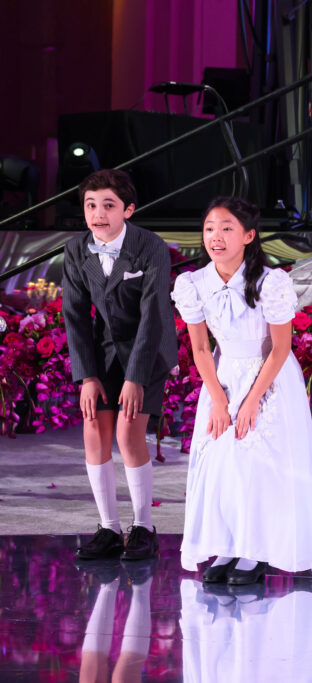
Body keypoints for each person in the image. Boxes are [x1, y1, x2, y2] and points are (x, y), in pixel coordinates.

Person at [172, 197, 312, 585]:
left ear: (248, 235)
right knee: (221, 463)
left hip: (268, 378)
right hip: (223, 379)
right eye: (209, 228)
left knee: (259, 464)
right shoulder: (194, 283)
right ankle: (227, 545)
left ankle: (256, 551)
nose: (216, 237)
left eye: (226, 228)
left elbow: (281, 347)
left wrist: (252, 400)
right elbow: (201, 348)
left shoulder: (269, 281)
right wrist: (220, 399)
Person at [62, 169, 176, 562]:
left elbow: (153, 316)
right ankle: (109, 528)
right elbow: (74, 316)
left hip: (149, 349)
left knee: (128, 435)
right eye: (91, 205)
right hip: (104, 347)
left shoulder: (150, 246)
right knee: (94, 428)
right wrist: (87, 376)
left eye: (109, 205)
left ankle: (143, 526)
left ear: (128, 209)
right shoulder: (76, 250)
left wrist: (136, 378)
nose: (98, 214)